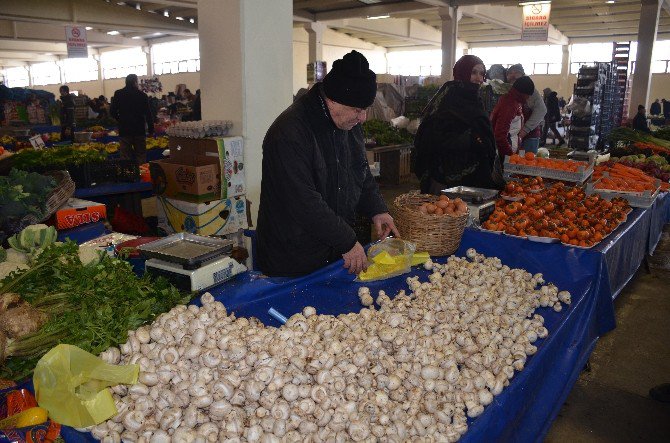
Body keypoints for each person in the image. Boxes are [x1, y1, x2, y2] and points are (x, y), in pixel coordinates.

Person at [257, 50, 399, 277]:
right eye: (357, 109)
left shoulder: (347, 123)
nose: (362, 117)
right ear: (333, 99)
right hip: (293, 256)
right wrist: (346, 240)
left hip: (330, 250)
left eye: (365, 109)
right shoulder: (289, 133)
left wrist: (377, 208)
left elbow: (360, 169)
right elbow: (302, 201)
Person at [414, 55, 504, 195]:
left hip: (474, 175)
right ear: (462, 72)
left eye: (482, 73)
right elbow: (430, 136)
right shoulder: (448, 99)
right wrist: (469, 139)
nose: (479, 78)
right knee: (448, 212)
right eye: (473, 72)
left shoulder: (475, 99)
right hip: (446, 176)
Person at [110, 74, 154, 165]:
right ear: (135, 82)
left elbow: (112, 111)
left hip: (125, 130)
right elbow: (148, 114)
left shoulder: (118, 93)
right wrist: (151, 130)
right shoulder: (142, 95)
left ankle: (128, 176)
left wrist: (120, 120)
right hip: (139, 130)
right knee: (140, 155)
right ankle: (141, 174)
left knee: (125, 156)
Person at [491, 76, 535, 158]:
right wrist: (510, 155)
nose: (528, 98)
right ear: (522, 93)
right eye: (528, 95)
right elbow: (500, 135)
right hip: (504, 154)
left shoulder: (516, 101)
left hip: (509, 150)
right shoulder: (510, 104)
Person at [506, 64, 546, 154]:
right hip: (511, 136)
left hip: (529, 136)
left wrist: (524, 130)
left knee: (527, 164)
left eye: (516, 72)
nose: (513, 75)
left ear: (523, 75)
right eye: (510, 73)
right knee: (512, 163)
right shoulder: (506, 89)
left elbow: (541, 110)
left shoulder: (530, 90)